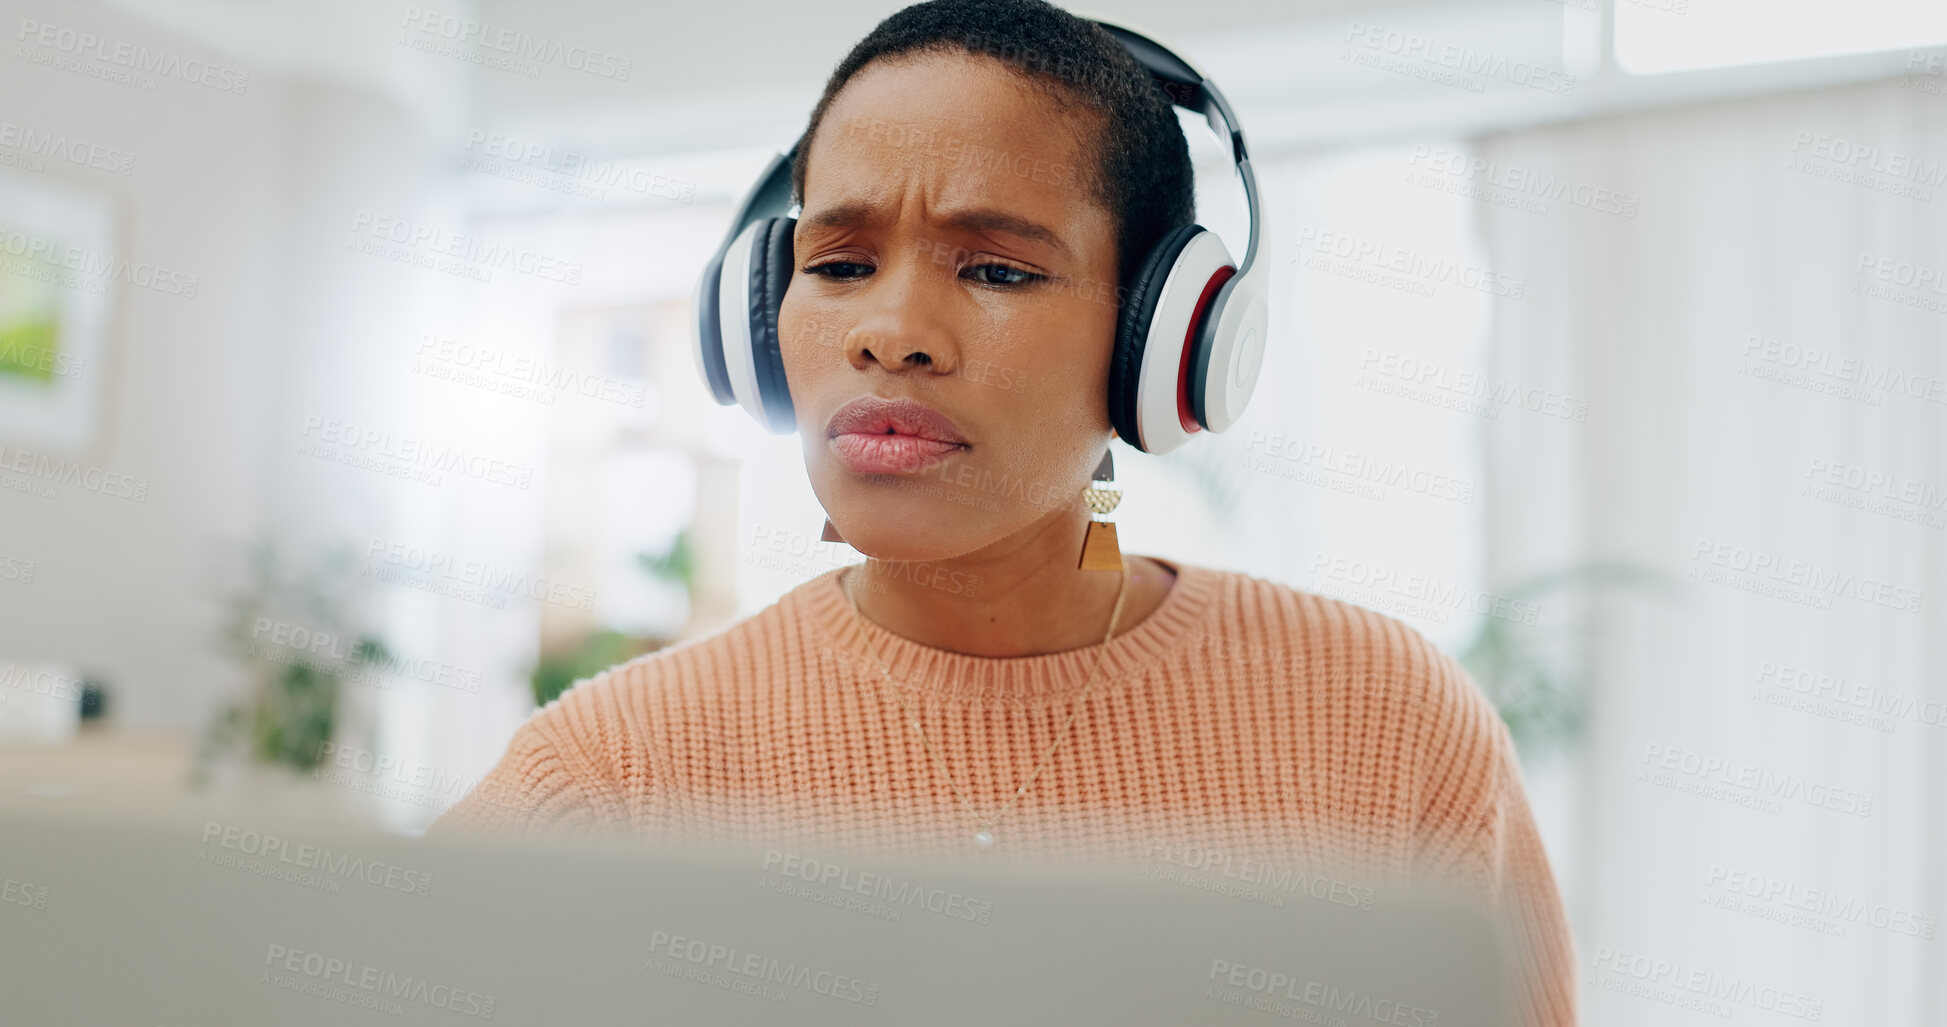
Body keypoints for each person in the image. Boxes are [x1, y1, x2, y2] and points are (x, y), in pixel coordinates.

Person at [430, 2, 1576, 1023]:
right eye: (838, 262)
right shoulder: (609, 773)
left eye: (996, 269)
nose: (891, 331)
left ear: (1162, 342)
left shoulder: (1385, 723)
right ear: (761, 319)